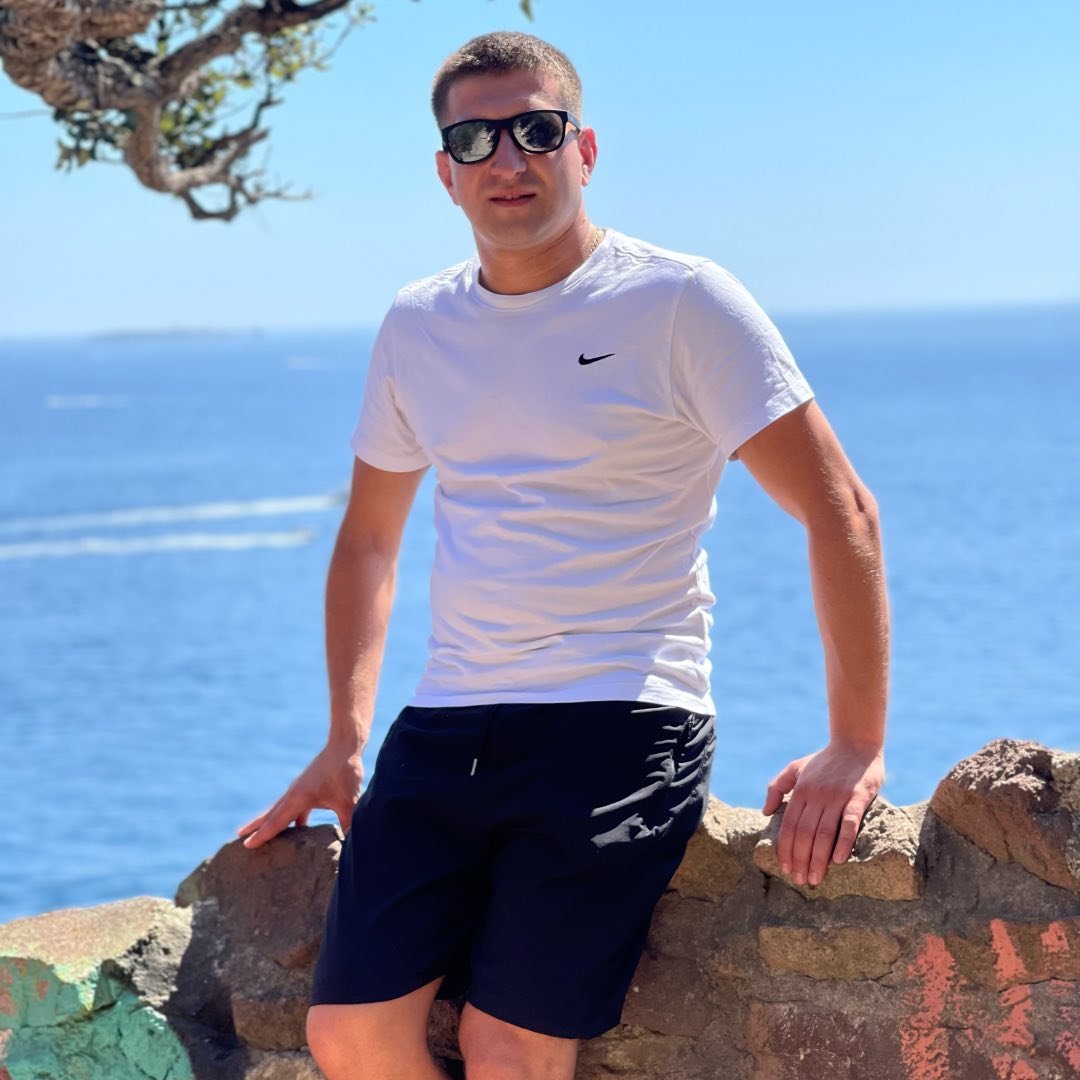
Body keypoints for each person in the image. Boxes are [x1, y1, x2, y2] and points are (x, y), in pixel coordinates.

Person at [236, 30, 889, 1080]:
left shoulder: (680, 301)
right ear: (445, 172)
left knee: (506, 1048)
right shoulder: (418, 323)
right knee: (348, 1034)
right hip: (448, 724)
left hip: (623, 715)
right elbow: (367, 542)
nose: (509, 158)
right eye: (476, 139)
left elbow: (841, 509)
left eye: (537, 130)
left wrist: (854, 743)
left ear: (583, 149)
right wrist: (344, 739)